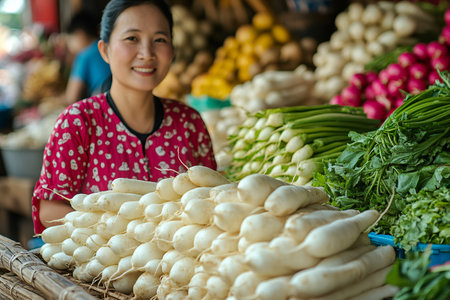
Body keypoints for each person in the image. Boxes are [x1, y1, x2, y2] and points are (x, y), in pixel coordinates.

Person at [31, 0, 217, 235]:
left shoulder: (189, 122)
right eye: (132, 38)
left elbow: (212, 198)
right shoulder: (77, 122)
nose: (147, 53)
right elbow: (49, 209)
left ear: (172, 50)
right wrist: (120, 234)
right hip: (100, 268)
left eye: (160, 40)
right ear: (104, 50)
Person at [65, 10, 111, 104]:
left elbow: (71, 98)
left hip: (103, 108)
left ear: (80, 34)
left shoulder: (84, 56)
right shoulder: (108, 47)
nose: (70, 47)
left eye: (70, 39)